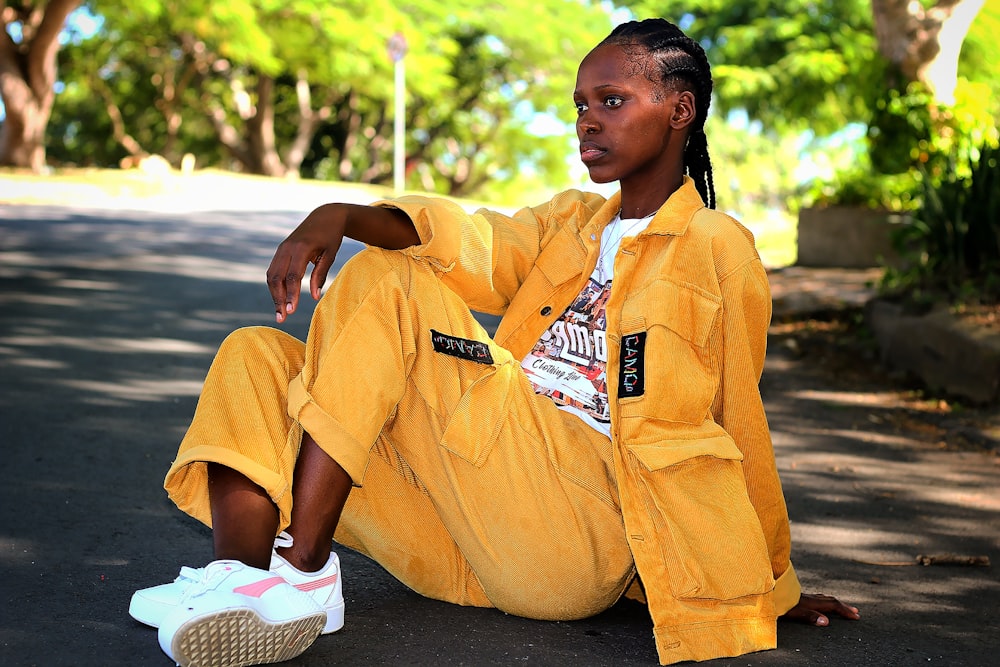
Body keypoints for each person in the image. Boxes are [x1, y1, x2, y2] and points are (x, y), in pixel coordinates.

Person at [130, 17, 859, 667]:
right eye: (580, 105)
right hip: (467, 529)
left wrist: (770, 583)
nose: (587, 123)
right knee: (257, 355)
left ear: (679, 110)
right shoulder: (571, 222)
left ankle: (304, 567)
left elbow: (740, 417)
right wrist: (343, 211)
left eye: (612, 101)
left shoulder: (715, 245)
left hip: (571, 524)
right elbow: (469, 240)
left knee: (389, 284)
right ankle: (241, 583)